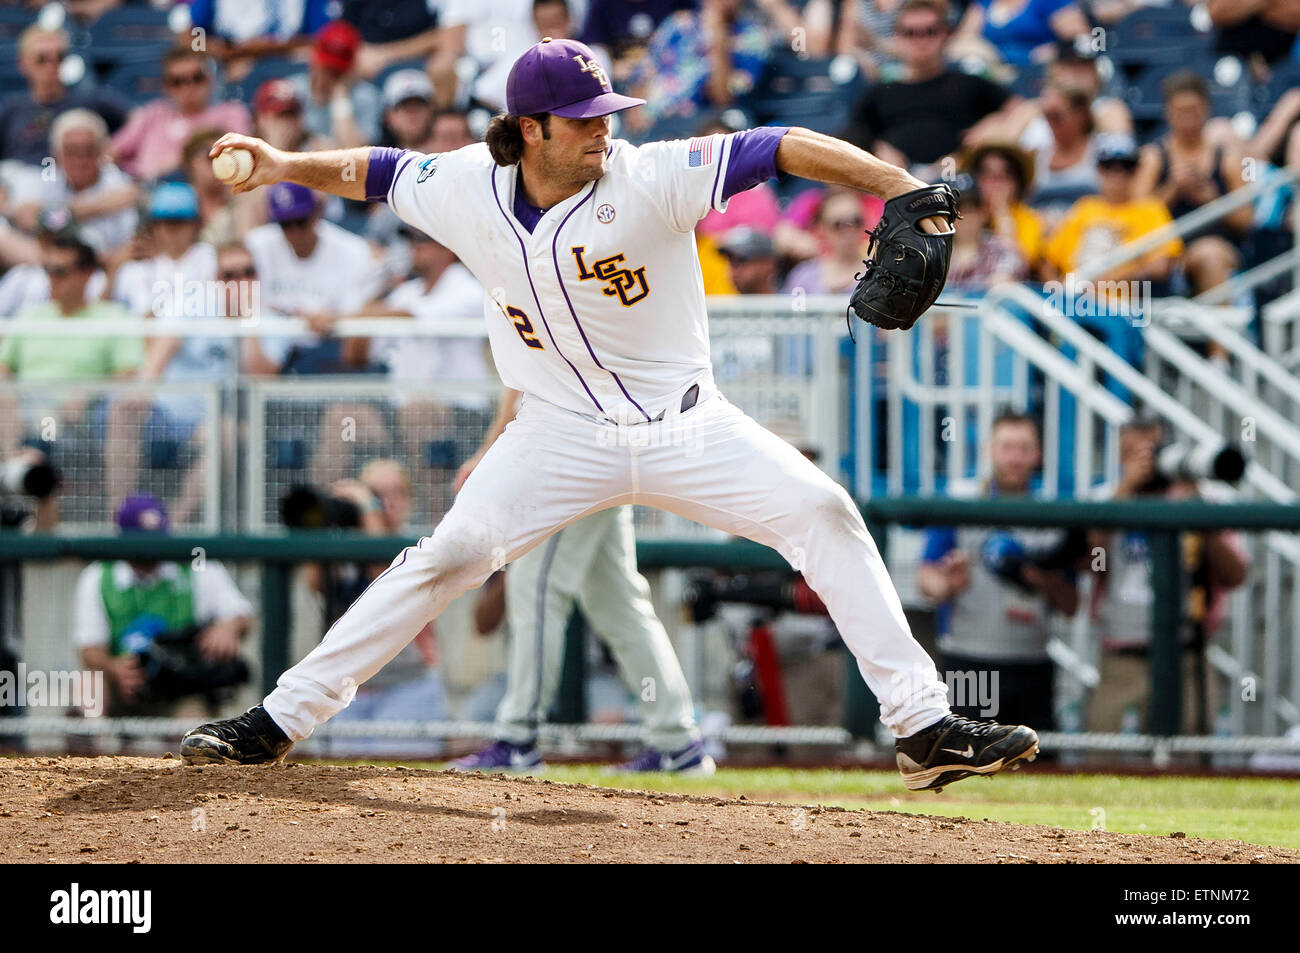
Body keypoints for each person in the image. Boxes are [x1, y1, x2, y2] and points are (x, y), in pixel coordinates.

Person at [182, 36, 1040, 793]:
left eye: (607, 112)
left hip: (686, 425)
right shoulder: (464, 187)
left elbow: (781, 146)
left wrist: (899, 185)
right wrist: (283, 163)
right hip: (555, 431)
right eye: (584, 116)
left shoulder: (649, 175)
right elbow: (376, 171)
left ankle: (924, 726)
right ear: (531, 130)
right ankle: (278, 720)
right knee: (452, 551)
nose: (604, 127)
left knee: (823, 511)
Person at [450, 389, 714, 773]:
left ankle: (518, 739)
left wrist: (491, 449)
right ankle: (677, 743)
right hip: (606, 440)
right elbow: (518, 377)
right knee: (618, 603)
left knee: (534, 588)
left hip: (579, 444)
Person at [917, 412, 1079, 730]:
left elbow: (1072, 604)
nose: (1015, 458)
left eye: (1023, 448)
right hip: (970, 658)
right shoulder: (959, 503)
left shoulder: (1055, 515)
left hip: (1032, 659)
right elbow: (926, 579)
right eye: (1006, 447)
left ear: (1037, 454)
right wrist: (948, 585)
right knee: (966, 759)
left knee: (1035, 766)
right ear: (989, 450)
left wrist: (1045, 582)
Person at [1087, 417, 1249, 735]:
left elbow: (1236, 575)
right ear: (1121, 455)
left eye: (1154, 451)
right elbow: (1094, 563)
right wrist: (1126, 489)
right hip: (1122, 655)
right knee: (1104, 755)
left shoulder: (1199, 500)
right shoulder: (1105, 499)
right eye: (1136, 452)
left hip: (1185, 654)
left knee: (1185, 759)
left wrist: (1200, 515)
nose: (1149, 462)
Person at [310, 459, 450, 758]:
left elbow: (382, 576)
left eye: (397, 493)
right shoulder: (346, 546)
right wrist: (323, 523)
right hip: (348, 692)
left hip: (407, 687)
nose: (386, 502)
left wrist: (367, 507)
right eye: (376, 493)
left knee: (402, 780)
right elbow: (314, 583)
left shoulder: (422, 545)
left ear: (410, 501)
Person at [74, 495, 253, 718]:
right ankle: (90, 751)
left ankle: (188, 751)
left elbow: (242, 613)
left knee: (193, 720)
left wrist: (229, 626)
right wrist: (115, 668)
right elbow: (88, 648)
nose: (151, 550)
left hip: (181, 688)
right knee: (88, 686)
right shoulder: (99, 575)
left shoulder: (196, 565)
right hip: (125, 685)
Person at [843, 0, 1014, 177]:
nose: (921, 40)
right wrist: (877, 147)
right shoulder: (879, 91)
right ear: (897, 37)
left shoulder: (968, 83)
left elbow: (1023, 109)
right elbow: (854, 137)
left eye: (930, 31)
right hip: (898, 186)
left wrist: (994, 125)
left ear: (946, 34)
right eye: (911, 33)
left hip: (959, 181)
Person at [1133, 72, 1250, 300]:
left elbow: (1246, 220)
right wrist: (1172, 189)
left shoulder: (1228, 157)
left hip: (1220, 247)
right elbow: (1135, 216)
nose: (1188, 119)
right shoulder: (1153, 157)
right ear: (1168, 112)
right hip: (1166, 253)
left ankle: (1219, 336)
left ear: (1206, 108)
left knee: (1210, 255)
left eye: (1194, 111)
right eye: (1180, 112)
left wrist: (1212, 200)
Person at [1043, 134, 1182, 295]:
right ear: (1098, 170)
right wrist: (1058, 292)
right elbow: (1048, 259)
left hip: (1120, 307)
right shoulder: (1085, 207)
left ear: (1136, 171)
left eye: (1126, 167)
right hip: (1073, 302)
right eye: (1108, 166)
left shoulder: (1150, 210)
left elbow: (1160, 266)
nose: (1117, 175)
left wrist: (1109, 281)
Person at [10, 109, 138, 266]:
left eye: (88, 151)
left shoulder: (118, 183)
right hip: (45, 265)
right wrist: (98, 206)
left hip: (100, 271)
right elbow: (28, 218)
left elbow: (130, 245)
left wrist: (53, 216)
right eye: (71, 151)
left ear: (101, 152)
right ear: (56, 154)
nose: (80, 159)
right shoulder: (47, 174)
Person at [109, 48, 252, 181]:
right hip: (142, 190)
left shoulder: (230, 113)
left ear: (210, 80)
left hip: (202, 190)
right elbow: (112, 152)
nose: (188, 87)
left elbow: (241, 155)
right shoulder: (154, 112)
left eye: (196, 78)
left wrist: (180, 161)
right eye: (177, 81)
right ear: (166, 87)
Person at [0, 25, 126, 166]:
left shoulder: (90, 101)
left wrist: (115, 148)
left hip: (75, 182)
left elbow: (138, 120)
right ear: (23, 64)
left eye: (59, 57)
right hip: (21, 180)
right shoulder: (11, 109)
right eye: (42, 59)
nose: (51, 65)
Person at [953, 0, 1091, 68]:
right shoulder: (985, 2)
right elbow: (958, 44)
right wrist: (992, 54)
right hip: (994, 77)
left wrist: (1056, 52)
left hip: (1037, 78)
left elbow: (1084, 42)